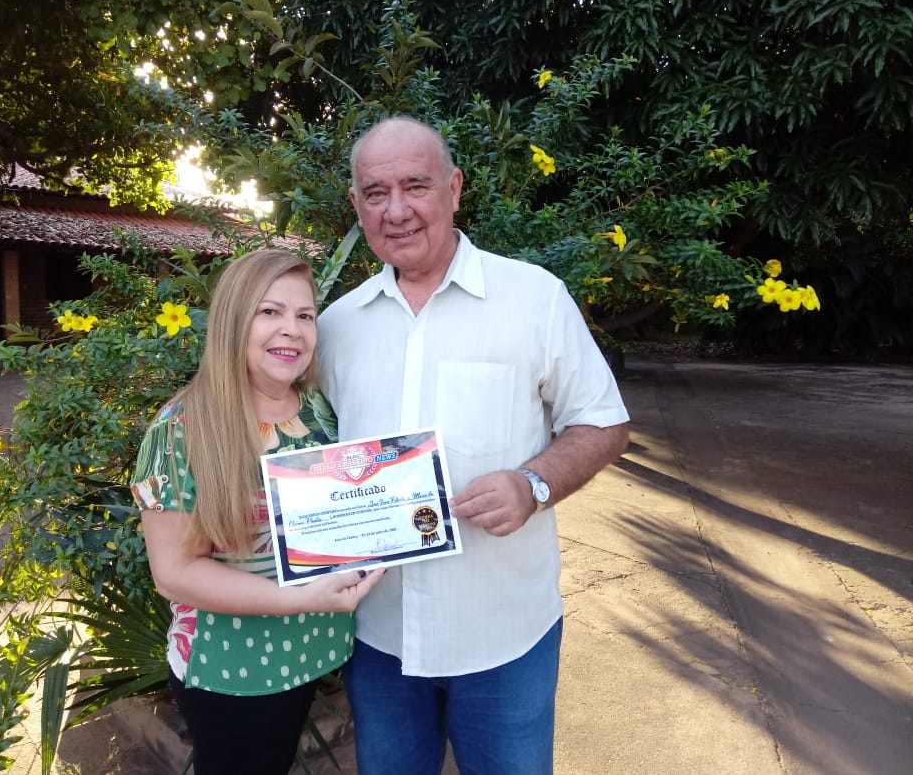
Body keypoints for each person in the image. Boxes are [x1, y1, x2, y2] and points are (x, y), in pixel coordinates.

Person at [317, 117, 631, 774]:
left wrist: (533, 485)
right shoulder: (336, 328)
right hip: (380, 640)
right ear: (356, 205)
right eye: (375, 193)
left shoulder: (534, 299)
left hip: (505, 638)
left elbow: (602, 422)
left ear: (455, 189)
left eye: (416, 186)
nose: (396, 210)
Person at [130, 249, 384, 774]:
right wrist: (297, 599)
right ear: (233, 321)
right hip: (233, 669)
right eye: (269, 311)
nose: (291, 329)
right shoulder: (181, 427)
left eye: (305, 315)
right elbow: (173, 573)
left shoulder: (317, 410)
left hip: (311, 651)